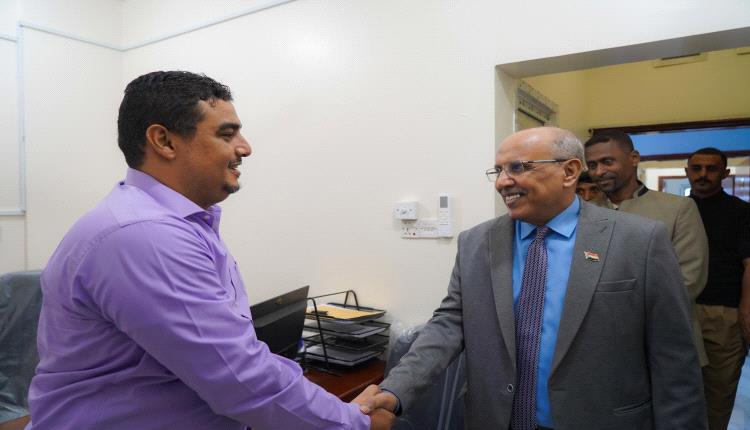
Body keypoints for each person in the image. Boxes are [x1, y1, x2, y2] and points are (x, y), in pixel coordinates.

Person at [26, 71, 394, 430]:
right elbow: (238, 377)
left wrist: (332, 410)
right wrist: (352, 422)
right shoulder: (145, 235)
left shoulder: (179, 223)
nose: (245, 148)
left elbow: (237, 359)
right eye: (226, 134)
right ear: (164, 141)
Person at [358, 127, 707, 429]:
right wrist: (395, 390)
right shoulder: (476, 243)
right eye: (498, 170)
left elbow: (674, 359)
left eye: (518, 168)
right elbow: (449, 324)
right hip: (494, 419)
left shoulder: (639, 240)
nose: (502, 182)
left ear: (569, 171)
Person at [584, 129, 709, 366]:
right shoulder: (583, 212)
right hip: (601, 345)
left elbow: (689, 280)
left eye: (607, 162)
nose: (599, 172)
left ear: (634, 158)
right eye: (592, 165)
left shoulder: (678, 208)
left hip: (665, 340)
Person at [686, 147, 750, 430]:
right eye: (696, 168)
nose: (703, 175)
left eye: (711, 169)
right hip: (679, 309)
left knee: (717, 394)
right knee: (677, 392)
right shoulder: (677, 210)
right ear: (687, 172)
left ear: (725, 173)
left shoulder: (741, 212)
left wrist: (745, 311)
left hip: (723, 314)